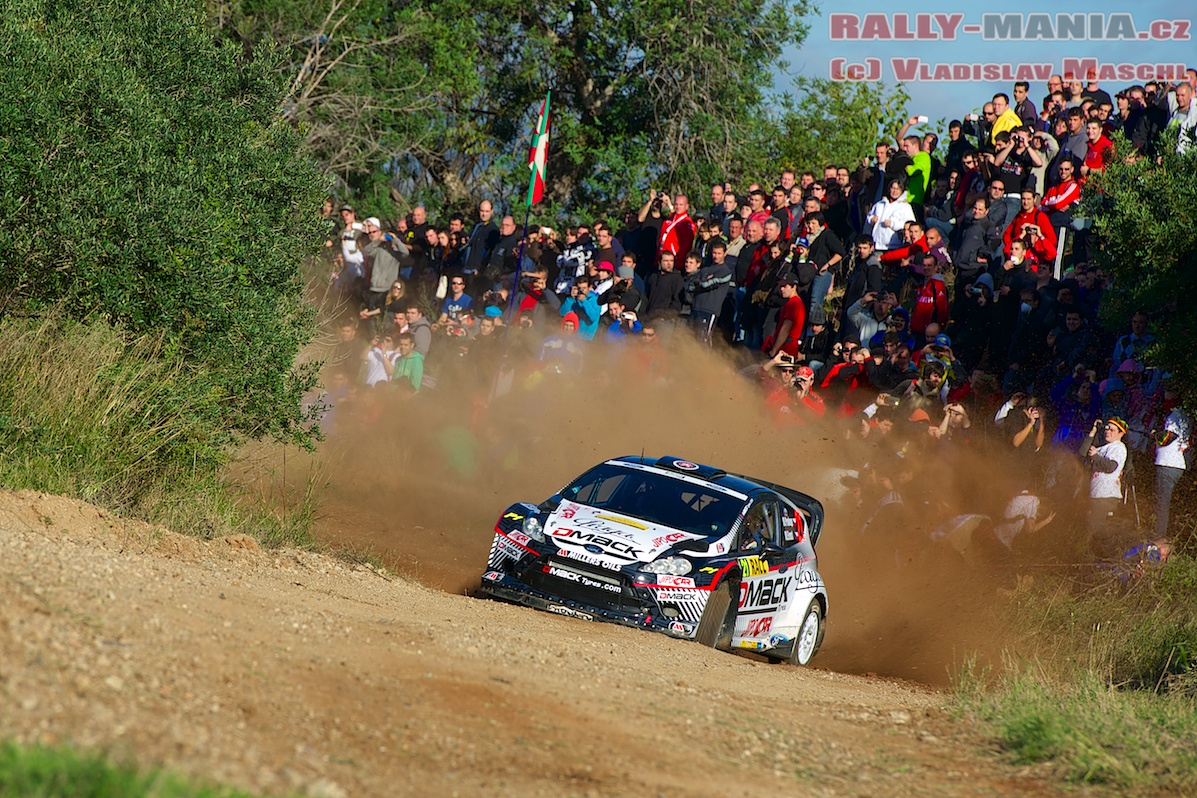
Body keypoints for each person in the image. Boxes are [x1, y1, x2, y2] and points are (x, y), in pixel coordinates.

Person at [1081, 416, 1129, 546]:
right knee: (1088, 527)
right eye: (1107, 429)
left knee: (1093, 530)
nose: (1108, 431)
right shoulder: (1102, 448)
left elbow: (1110, 467)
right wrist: (1093, 432)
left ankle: (1087, 556)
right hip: (1095, 494)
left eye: (1112, 429)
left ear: (1121, 433)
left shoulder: (1118, 447)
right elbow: (1082, 453)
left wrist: (1095, 457)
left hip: (1106, 496)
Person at [1150, 387, 1190, 539]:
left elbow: (1167, 437)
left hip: (1167, 464)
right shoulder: (1186, 415)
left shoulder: (1176, 415)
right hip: (1178, 464)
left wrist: (1155, 435)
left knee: (1162, 504)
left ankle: (1159, 538)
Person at [766, 276, 806, 359]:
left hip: (786, 347)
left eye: (785, 286)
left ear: (794, 287)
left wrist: (774, 350)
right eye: (781, 286)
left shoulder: (793, 304)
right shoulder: (796, 302)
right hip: (787, 346)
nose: (781, 289)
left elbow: (785, 329)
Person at [559, 274, 600, 341]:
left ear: (589, 287)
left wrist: (584, 301)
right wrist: (571, 298)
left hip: (587, 338)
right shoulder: (574, 299)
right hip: (573, 336)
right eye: (579, 288)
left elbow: (593, 317)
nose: (581, 291)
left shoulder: (595, 300)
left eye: (584, 288)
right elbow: (562, 313)